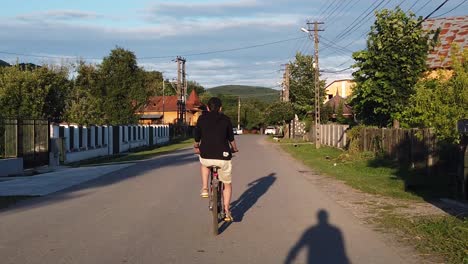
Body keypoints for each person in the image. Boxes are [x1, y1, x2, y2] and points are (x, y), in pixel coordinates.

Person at [194, 97, 239, 222]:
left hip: (206, 155)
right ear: (221, 108)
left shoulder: (202, 118)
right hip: (223, 157)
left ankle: (204, 188)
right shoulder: (226, 119)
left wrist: (196, 145)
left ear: (207, 108)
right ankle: (226, 210)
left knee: (204, 163)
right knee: (227, 184)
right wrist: (234, 148)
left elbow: (197, 135)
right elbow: (231, 138)